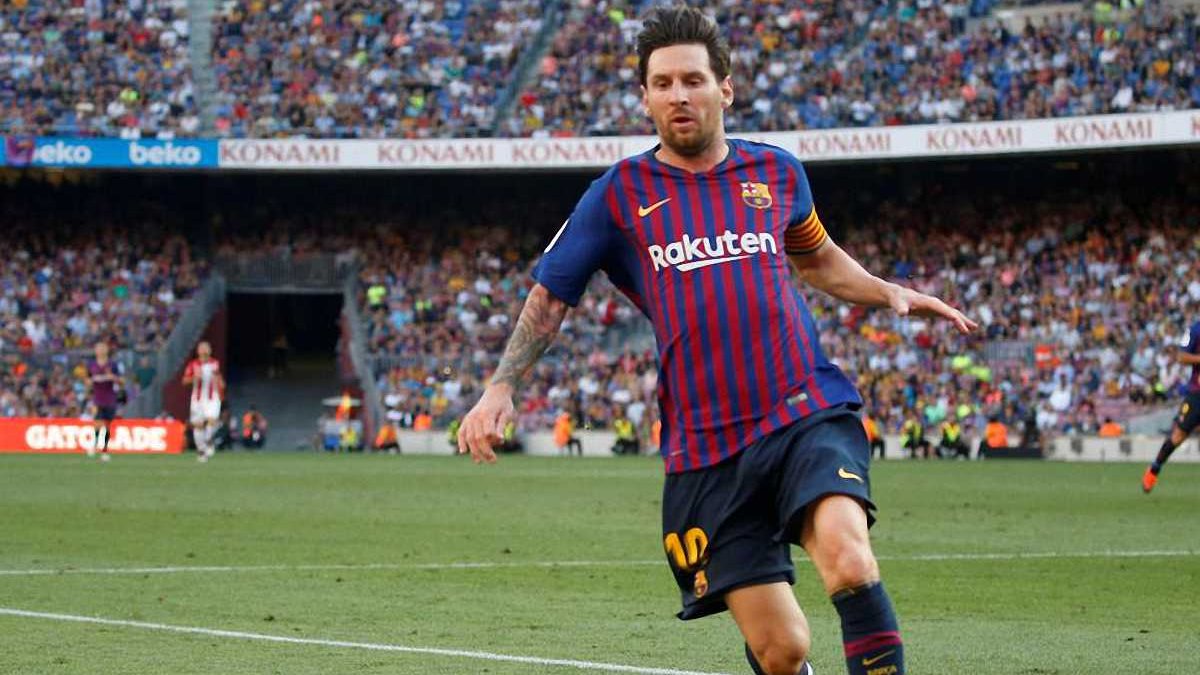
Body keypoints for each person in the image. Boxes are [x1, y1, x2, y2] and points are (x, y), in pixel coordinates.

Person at [457, 8, 976, 675]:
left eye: (693, 80)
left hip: (804, 409)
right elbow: (550, 297)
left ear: (724, 89)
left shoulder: (777, 172)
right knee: (782, 650)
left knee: (849, 559)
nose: (679, 94)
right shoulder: (616, 195)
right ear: (644, 98)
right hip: (706, 448)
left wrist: (886, 291)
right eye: (663, 83)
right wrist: (501, 386)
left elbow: (816, 258)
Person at [1143, 320, 1200, 493]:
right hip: (1197, 393)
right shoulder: (1195, 329)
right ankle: (1154, 469)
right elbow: (1181, 357)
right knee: (1178, 435)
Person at [182, 341, 224, 462]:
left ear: (210, 350)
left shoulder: (215, 363)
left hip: (212, 398)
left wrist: (221, 384)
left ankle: (208, 440)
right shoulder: (193, 364)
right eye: (202, 348)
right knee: (198, 426)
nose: (205, 350)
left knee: (212, 420)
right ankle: (201, 451)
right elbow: (184, 381)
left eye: (207, 348)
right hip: (197, 399)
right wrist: (194, 378)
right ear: (198, 351)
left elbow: (218, 377)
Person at [85, 341, 122, 462]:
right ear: (95, 351)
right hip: (97, 398)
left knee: (107, 425)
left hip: (110, 398)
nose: (100, 350)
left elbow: (120, 381)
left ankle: (105, 450)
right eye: (98, 348)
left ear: (107, 350)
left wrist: (113, 377)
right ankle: (95, 444)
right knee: (97, 422)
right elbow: (87, 380)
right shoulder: (91, 365)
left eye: (103, 348)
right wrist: (89, 382)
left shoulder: (113, 365)